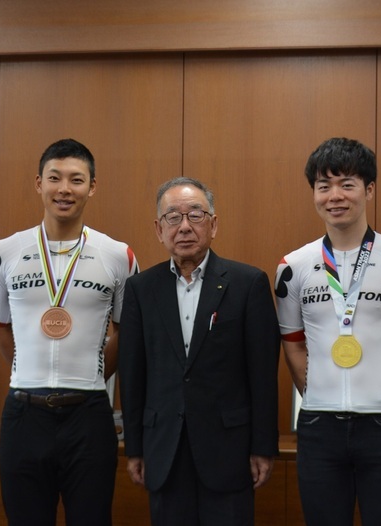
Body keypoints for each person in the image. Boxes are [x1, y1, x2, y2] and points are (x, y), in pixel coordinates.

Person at [274, 137, 381, 526]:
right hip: (318, 426)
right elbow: (293, 350)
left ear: (369, 189)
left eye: (347, 184)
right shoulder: (292, 267)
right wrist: (318, 394)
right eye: (323, 185)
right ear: (313, 192)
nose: (335, 195)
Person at [0, 138, 138, 526]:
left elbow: (126, 331)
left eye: (76, 179)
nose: (64, 189)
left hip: (89, 416)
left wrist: (89, 377)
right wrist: (27, 375)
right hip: (23, 415)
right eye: (55, 178)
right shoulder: (4, 252)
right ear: (39, 183)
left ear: (92, 186)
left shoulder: (118, 255)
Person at [118, 177, 280, 526]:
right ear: (159, 229)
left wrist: (263, 446)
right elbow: (132, 374)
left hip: (230, 451)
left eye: (196, 215)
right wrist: (135, 447)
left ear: (214, 224)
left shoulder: (248, 284)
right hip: (164, 450)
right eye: (173, 218)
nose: (185, 227)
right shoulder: (140, 289)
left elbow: (263, 374)